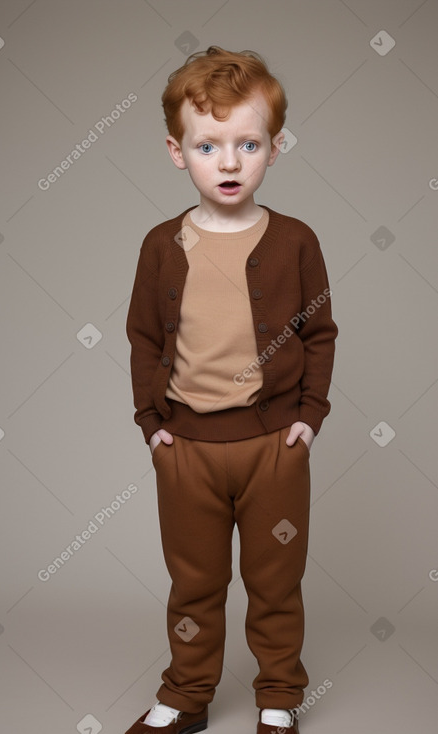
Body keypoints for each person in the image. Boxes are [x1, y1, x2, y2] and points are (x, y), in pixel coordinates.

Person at [125, 45, 338, 734]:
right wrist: (151, 425)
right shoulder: (161, 245)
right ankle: (186, 694)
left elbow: (318, 333)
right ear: (175, 151)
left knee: (274, 582)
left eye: (247, 143)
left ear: (273, 149)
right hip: (185, 446)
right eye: (207, 144)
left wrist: (306, 418)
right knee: (194, 584)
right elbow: (144, 338)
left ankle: (277, 694)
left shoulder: (295, 241)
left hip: (272, 447)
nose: (227, 161)